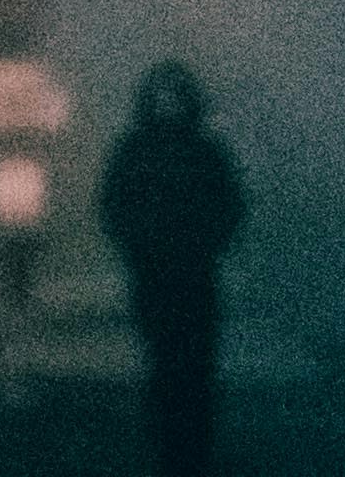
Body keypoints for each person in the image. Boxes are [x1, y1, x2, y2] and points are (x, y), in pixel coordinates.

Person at [93, 58, 246, 477]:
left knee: (184, 360)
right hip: (166, 273)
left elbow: (230, 206)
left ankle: (182, 445)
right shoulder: (193, 150)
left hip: (182, 273)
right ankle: (177, 445)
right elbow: (113, 207)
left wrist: (199, 245)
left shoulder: (175, 150)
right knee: (173, 358)